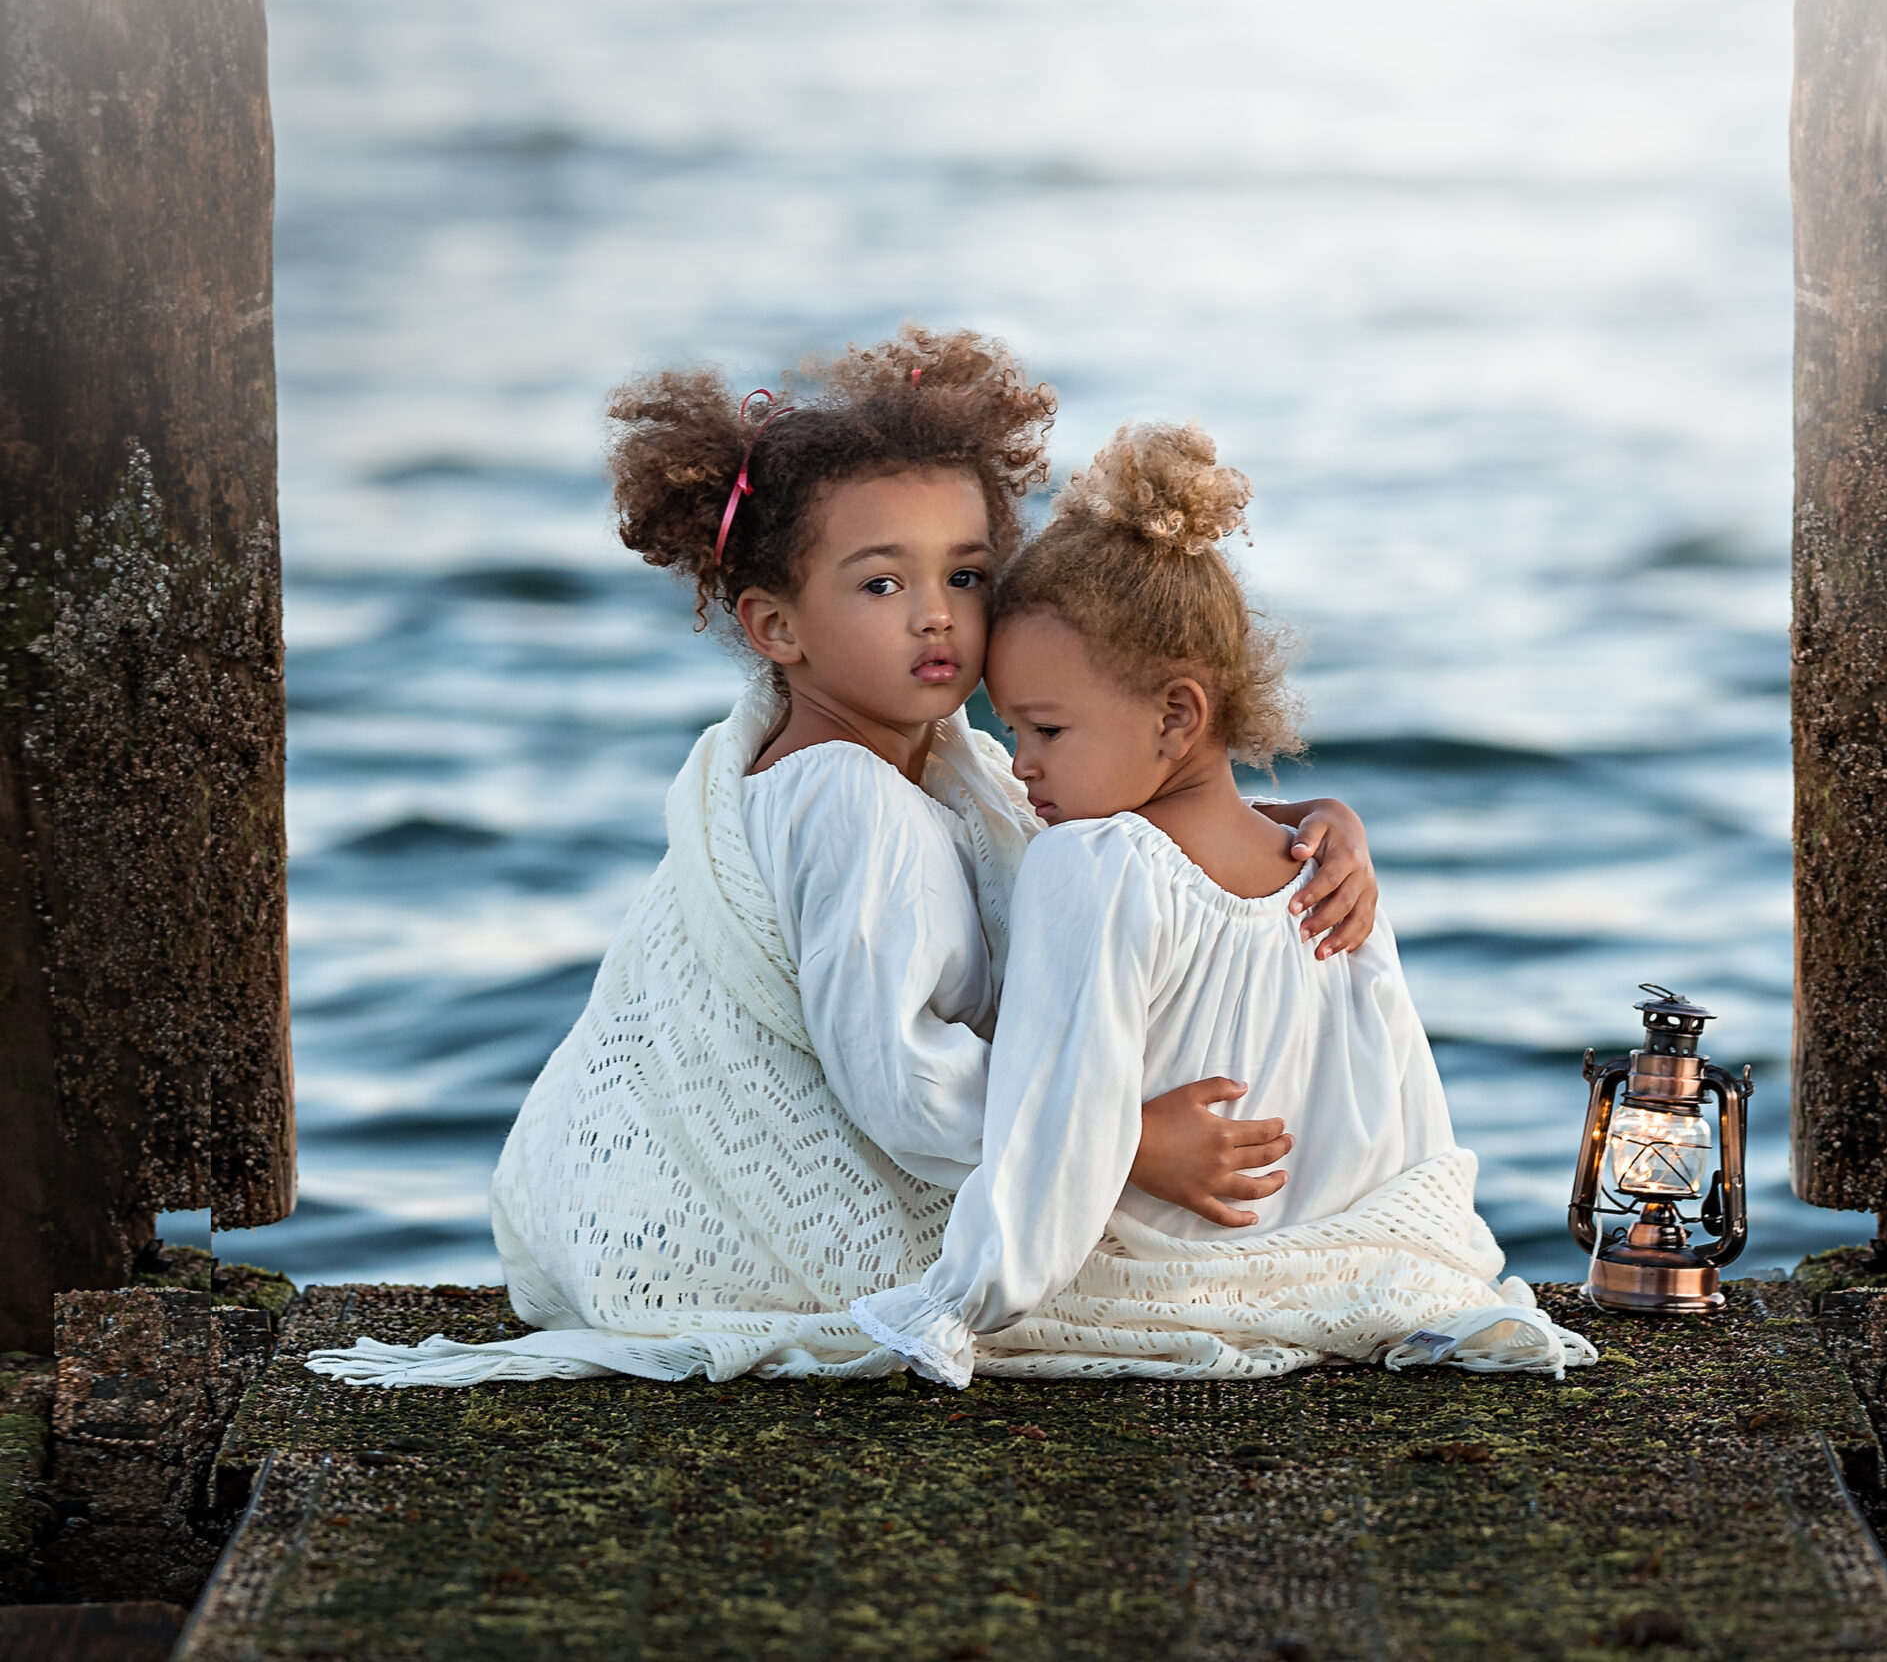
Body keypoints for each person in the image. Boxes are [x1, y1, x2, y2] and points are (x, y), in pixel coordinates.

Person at [308, 331, 1378, 1389]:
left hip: (945, 1148)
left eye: (964, 574)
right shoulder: (844, 796)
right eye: (879, 584)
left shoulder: (937, 759)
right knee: (1213, 1287)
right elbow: (903, 1085)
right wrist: (1122, 1142)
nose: (936, 615)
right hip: (756, 1232)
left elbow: (1127, 810)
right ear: (776, 624)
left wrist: (1302, 822)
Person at [848, 422, 1596, 1387]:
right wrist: (1439, 1267)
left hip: (1154, 1277)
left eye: (1044, 728)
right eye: (1005, 727)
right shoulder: (1322, 866)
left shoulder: (1093, 862)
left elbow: (1056, 1125)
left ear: (1177, 715)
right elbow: (1402, 1114)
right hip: (1337, 1263)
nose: (1018, 761)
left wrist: (962, 1304)